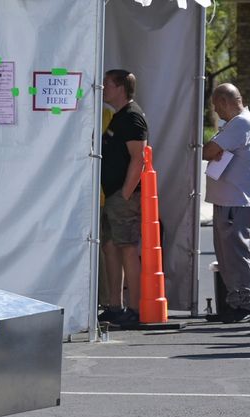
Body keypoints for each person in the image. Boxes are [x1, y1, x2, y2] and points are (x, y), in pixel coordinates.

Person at [203, 83, 250, 324]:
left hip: (235, 200)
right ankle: (234, 302)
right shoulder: (235, 125)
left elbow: (208, 151)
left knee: (235, 254)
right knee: (227, 255)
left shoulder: (241, 123)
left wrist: (213, 148)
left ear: (226, 102)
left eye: (217, 106)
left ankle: (244, 304)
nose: (216, 111)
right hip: (228, 199)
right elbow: (213, 150)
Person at [98, 69, 148, 327]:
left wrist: (126, 193)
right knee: (110, 248)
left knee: (127, 248)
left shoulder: (132, 117)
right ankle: (114, 306)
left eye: (106, 84)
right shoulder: (118, 117)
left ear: (120, 87)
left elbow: (139, 157)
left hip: (123, 196)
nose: (103, 88)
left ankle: (136, 309)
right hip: (111, 195)